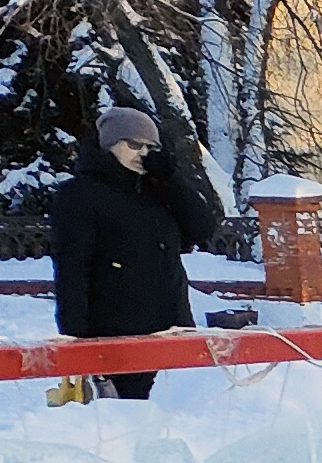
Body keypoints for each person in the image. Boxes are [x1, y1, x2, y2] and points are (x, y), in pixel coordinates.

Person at [47, 102, 215, 400]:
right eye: (134, 144)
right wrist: (76, 340)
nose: (143, 154)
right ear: (110, 145)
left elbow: (202, 229)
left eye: (151, 147)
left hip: (173, 328)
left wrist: (172, 180)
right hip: (115, 335)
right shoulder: (80, 194)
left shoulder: (157, 191)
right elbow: (72, 266)